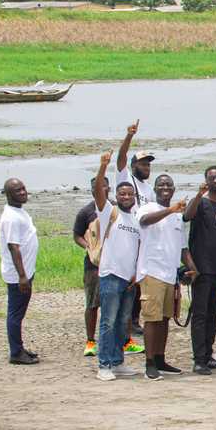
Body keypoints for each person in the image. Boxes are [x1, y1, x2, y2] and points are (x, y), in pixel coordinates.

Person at [136, 175, 192, 380]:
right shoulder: (148, 208)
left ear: (174, 188)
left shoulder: (177, 216)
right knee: (152, 318)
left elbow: (182, 247)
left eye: (169, 185)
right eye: (161, 185)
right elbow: (143, 222)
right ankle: (149, 362)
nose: (165, 188)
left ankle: (160, 358)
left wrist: (192, 268)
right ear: (155, 189)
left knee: (165, 318)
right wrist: (170, 210)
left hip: (170, 274)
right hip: (152, 272)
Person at [92, 152, 142, 381]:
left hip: (129, 278)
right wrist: (103, 167)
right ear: (116, 195)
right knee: (108, 321)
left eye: (130, 193)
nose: (126, 196)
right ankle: (104, 365)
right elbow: (98, 192)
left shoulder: (135, 218)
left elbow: (139, 249)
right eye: (122, 193)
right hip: (111, 275)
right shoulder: (108, 213)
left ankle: (118, 361)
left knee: (123, 323)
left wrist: (136, 274)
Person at [184, 167, 216, 375]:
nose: (215, 181)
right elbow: (187, 216)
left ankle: (208, 355)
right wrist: (197, 194)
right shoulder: (200, 203)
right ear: (205, 180)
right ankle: (199, 359)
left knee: (213, 314)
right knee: (200, 315)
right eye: (212, 178)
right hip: (201, 269)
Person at [0, 178, 39, 365]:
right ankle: (16, 352)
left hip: (25, 272)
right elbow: (13, 247)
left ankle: (19, 348)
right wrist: (22, 276)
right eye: (17, 190)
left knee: (18, 313)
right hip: (18, 275)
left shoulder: (18, 211)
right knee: (15, 314)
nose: (23, 192)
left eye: (23, 188)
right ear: (8, 194)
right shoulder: (11, 218)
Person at [72, 178, 107, 357]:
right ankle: (90, 340)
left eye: (103, 186)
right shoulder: (86, 212)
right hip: (93, 266)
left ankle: (124, 340)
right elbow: (76, 235)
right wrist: (88, 246)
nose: (100, 190)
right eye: (96, 188)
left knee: (118, 304)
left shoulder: (116, 208)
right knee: (92, 304)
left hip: (115, 265)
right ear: (92, 191)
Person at [115, 119, 155, 208]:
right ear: (133, 166)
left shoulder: (149, 189)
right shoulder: (125, 177)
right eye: (143, 164)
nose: (147, 168)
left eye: (148, 165)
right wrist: (129, 136)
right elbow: (122, 155)